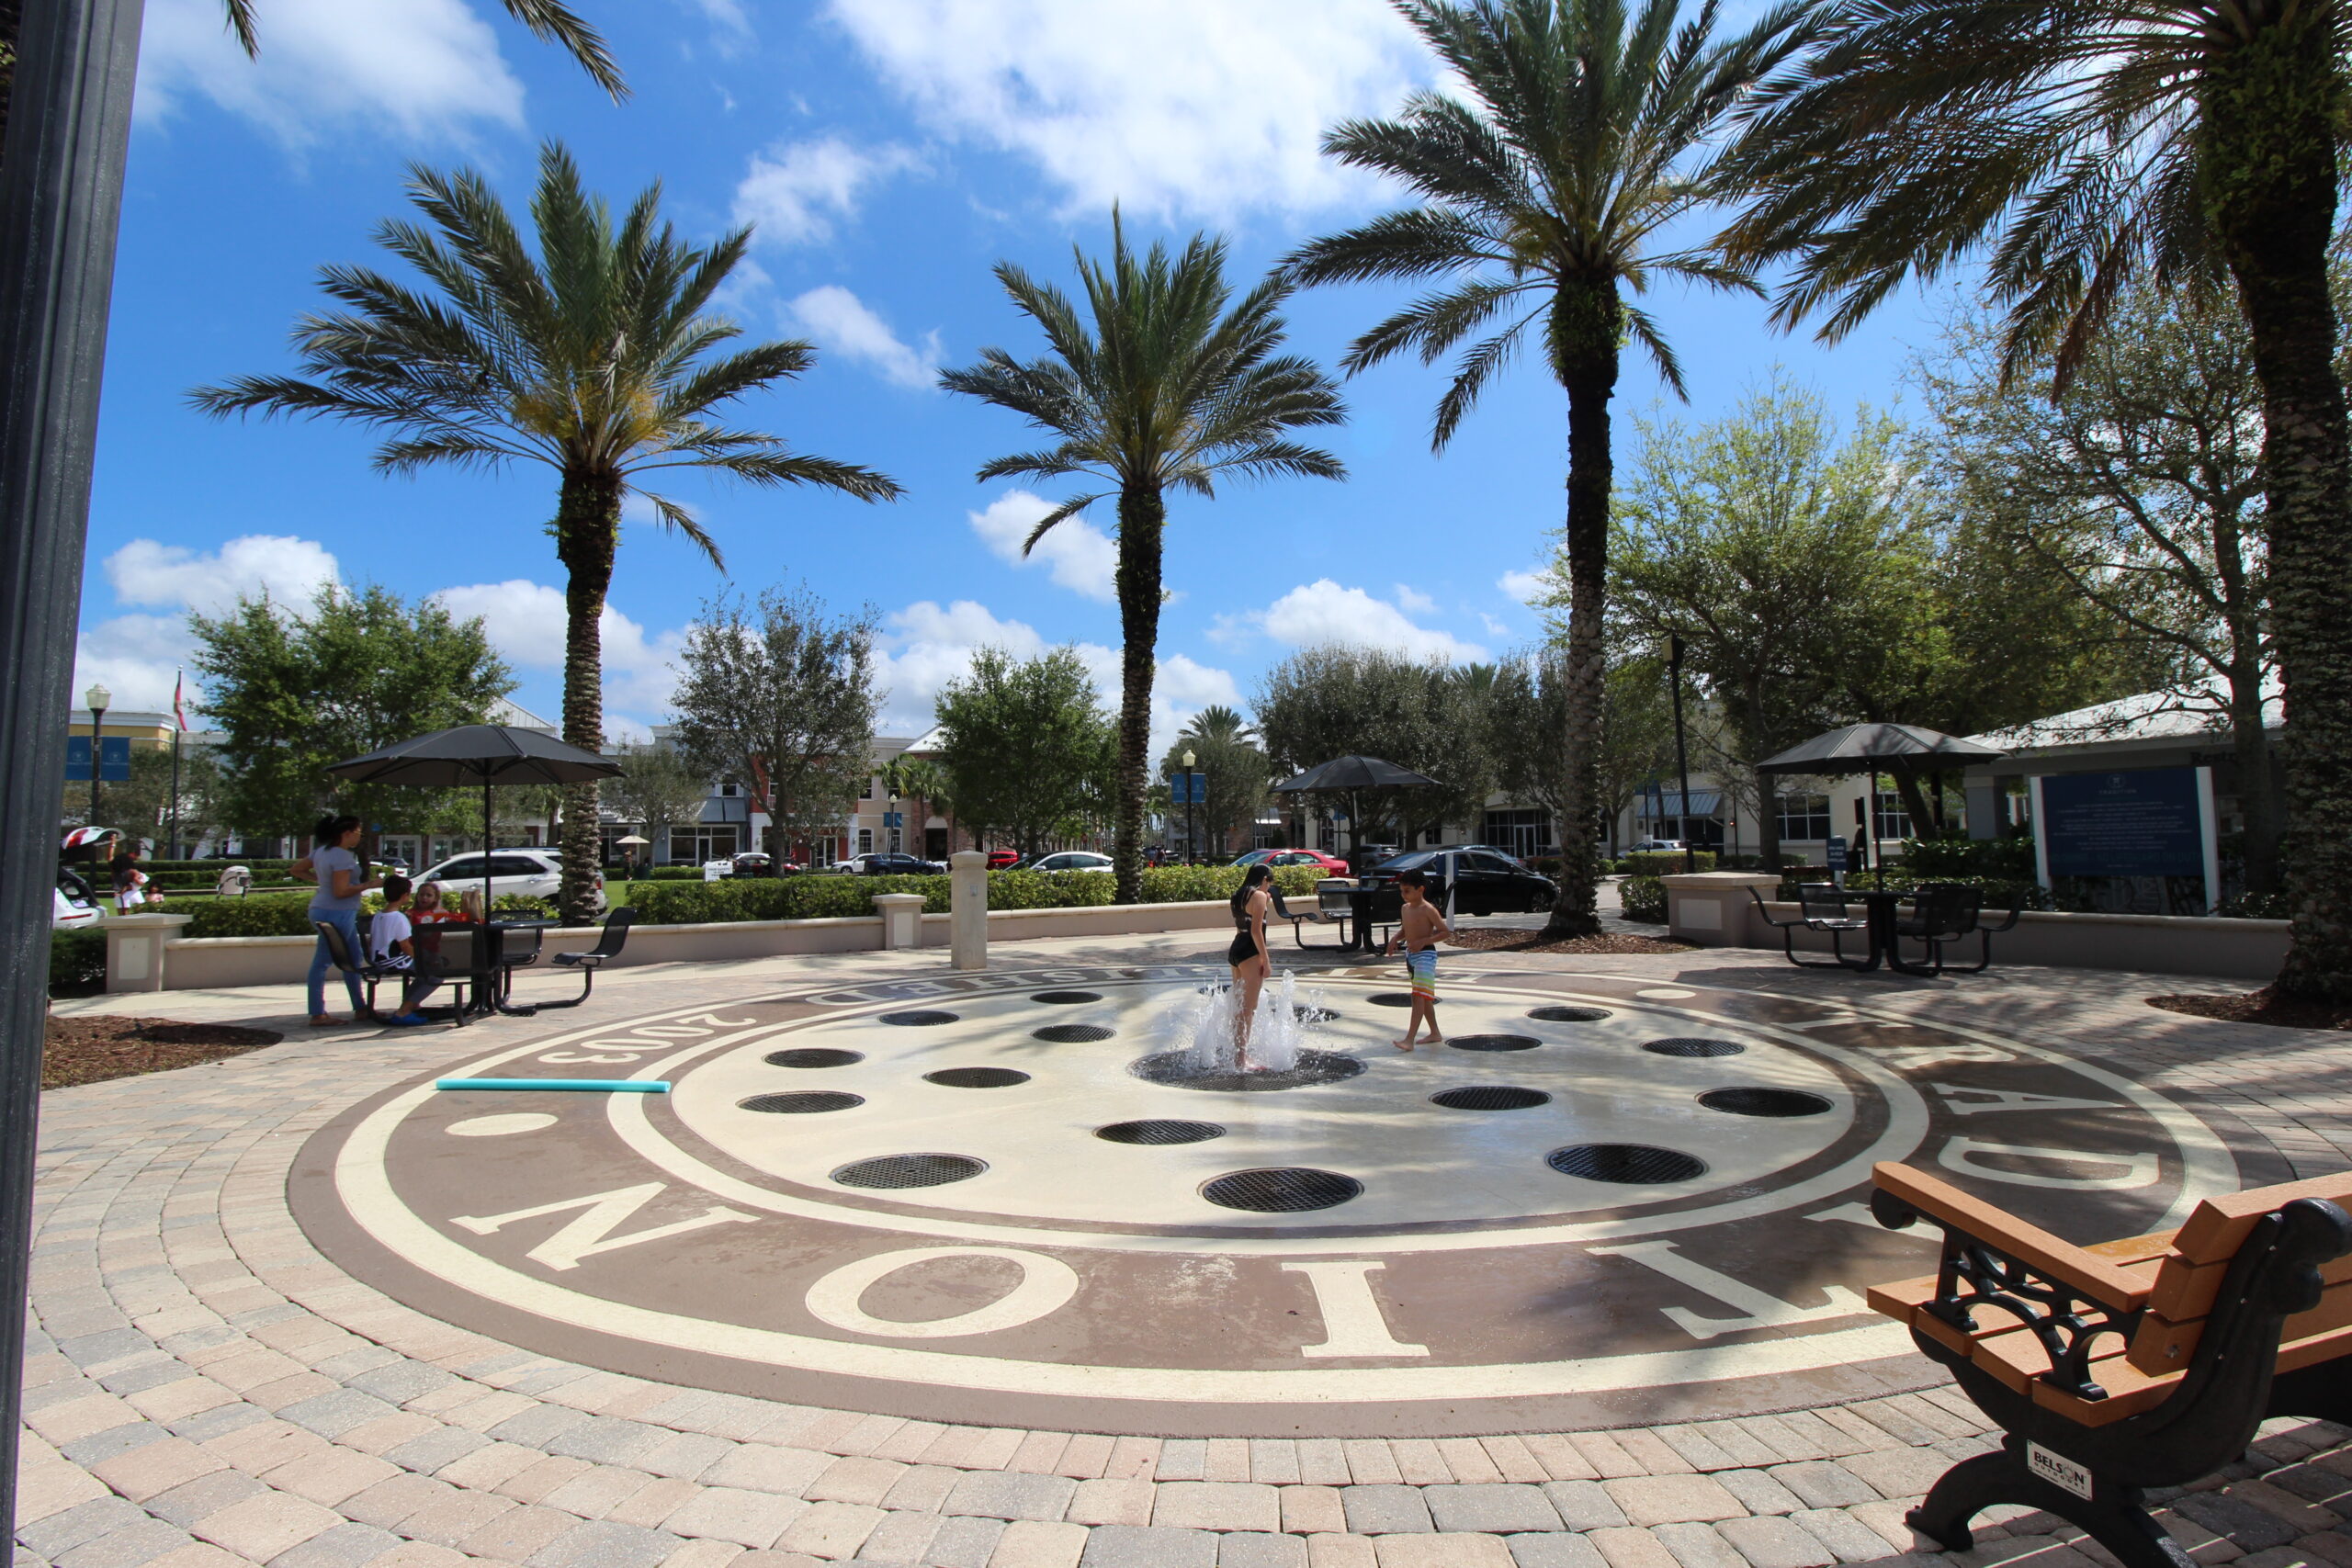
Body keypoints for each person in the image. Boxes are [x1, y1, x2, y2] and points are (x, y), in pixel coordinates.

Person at [291, 814, 382, 1027]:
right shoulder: (342, 857)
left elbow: (296, 869)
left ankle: (360, 1007)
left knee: (351, 958)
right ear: (346, 833)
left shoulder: (321, 852)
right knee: (327, 961)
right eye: (358, 832)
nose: (360, 836)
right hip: (337, 912)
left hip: (320, 908)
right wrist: (368, 885)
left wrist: (323, 881)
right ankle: (318, 1013)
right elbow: (341, 891)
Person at [1385, 868, 1453, 1051]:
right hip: (1411, 956)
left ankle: (1409, 1039)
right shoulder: (1405, 909)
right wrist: (1394, 939)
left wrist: (1425, 941)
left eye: (1407, 891)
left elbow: (1445, 932)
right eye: (1401, 891)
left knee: (1418, 997)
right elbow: (1406, 930)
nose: (1403, 895)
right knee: (1425, 997)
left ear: (1420, 889)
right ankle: (1435, 1032)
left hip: (1426, 955)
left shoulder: (1428, 909)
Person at [370, 875, 441, 1026]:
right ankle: (404, 1011)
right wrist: (424, 961)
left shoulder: (379, 915)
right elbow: (406, 947)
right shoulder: (399, 918)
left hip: (379, 959)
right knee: (436, 973)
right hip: (393, 961)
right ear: (404, 896)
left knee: (430, 965)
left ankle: (410, 1004)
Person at [1227, 863, 1274, 1066]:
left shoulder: (1239, 895)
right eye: (1269, 884)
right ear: (1264, 879)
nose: (1269, 889)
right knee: (1249, 1008)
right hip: (1250, 952)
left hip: (1236, 949)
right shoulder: (1259, 896)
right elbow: (1256, 931)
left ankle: (1237, 1054)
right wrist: (1266, 959)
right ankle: (1241, 1058)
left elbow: (1243, 924)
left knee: (1239, 1006)